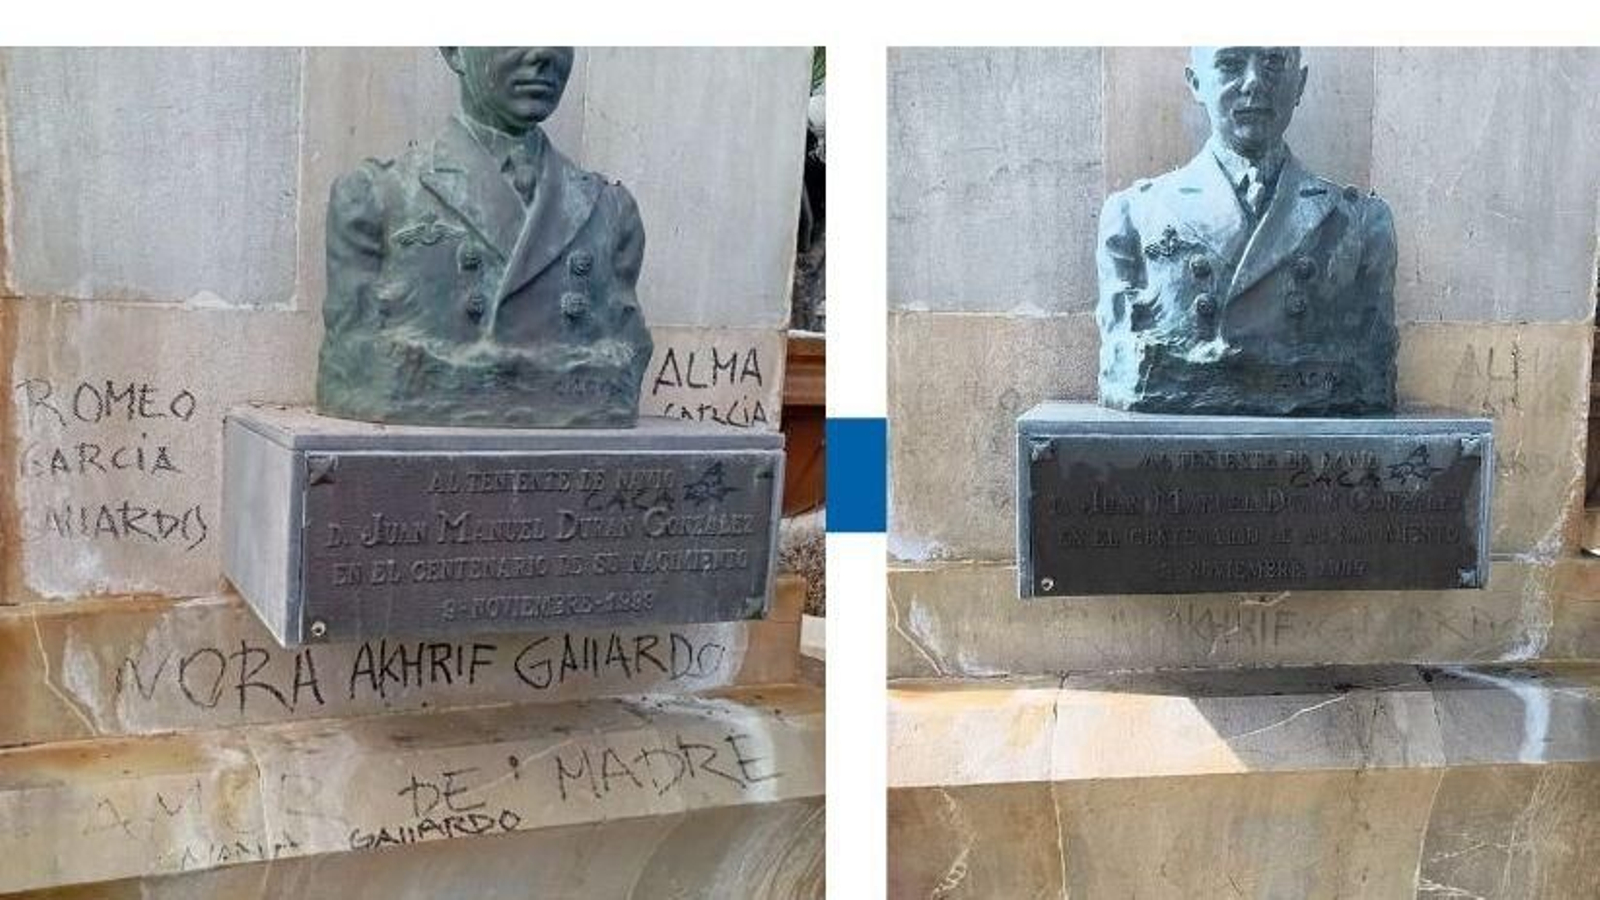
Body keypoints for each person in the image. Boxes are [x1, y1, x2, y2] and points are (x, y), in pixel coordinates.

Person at [317, 47, 653, 428]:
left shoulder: (609, 210)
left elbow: (627, 351)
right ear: (454, 50)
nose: (543, 52)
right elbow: (355, 360)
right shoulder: (376, 198)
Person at [1096, 46, 1397, 416]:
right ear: (1195, 82)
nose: (1254, 81)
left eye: (1273, 62)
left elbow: (1371, 363)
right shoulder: (1133, 216)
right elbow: (1124, 352)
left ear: (1299, 83)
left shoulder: (1363, 223)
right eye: (1231, 63)